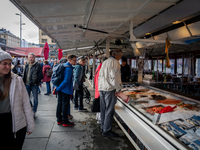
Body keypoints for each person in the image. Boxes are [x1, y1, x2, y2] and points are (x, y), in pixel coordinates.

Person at [0, 49, 35, 149]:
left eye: (9, 64)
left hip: (16, 123)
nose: (8, 67)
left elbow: (26, 104)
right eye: (4, 63)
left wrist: (30, 125)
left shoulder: (16, 80)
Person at [98, 49, 123, 138]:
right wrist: (118, 88)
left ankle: (103, 127)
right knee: (109, 110)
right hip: (110, 89)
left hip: (102, 88)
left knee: (103, 109)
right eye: (121, 55)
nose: (121, 57)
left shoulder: (105, 62)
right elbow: (115, 77)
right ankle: (107, 130)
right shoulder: (115, 62)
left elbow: (101, 75)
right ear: (117, 55)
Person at [55, 54, 76, 127]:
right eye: (74, 60)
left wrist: (57, 88)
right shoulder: (69, 68)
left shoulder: (63, 66)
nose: (75, 62)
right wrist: (58, 88)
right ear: (69, 60)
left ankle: (59, 120)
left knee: (60, 104)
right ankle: (65, 121)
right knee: (65, 105)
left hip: (61, 89)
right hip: (65, 90)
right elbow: (66, 80)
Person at [23, 53, 42, 118]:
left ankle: (34, 111)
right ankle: (31, 106)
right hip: (27, 84)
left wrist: (37, 82)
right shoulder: (26, 65)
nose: (31, 58)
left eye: (32, 57)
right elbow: (24, 73)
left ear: (34, 58)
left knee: (35, 99)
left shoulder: (37, 65)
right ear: (28, 58)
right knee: (26, 98)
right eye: (30, 57)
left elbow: (40, 75)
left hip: (34, 84)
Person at [94, 57, 107, 124]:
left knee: (99, 104)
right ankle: (100, 119)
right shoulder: (101, 70)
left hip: (98, 89)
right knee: (101, 105)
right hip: (100, 90)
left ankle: (98, 118)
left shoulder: (98, 68)